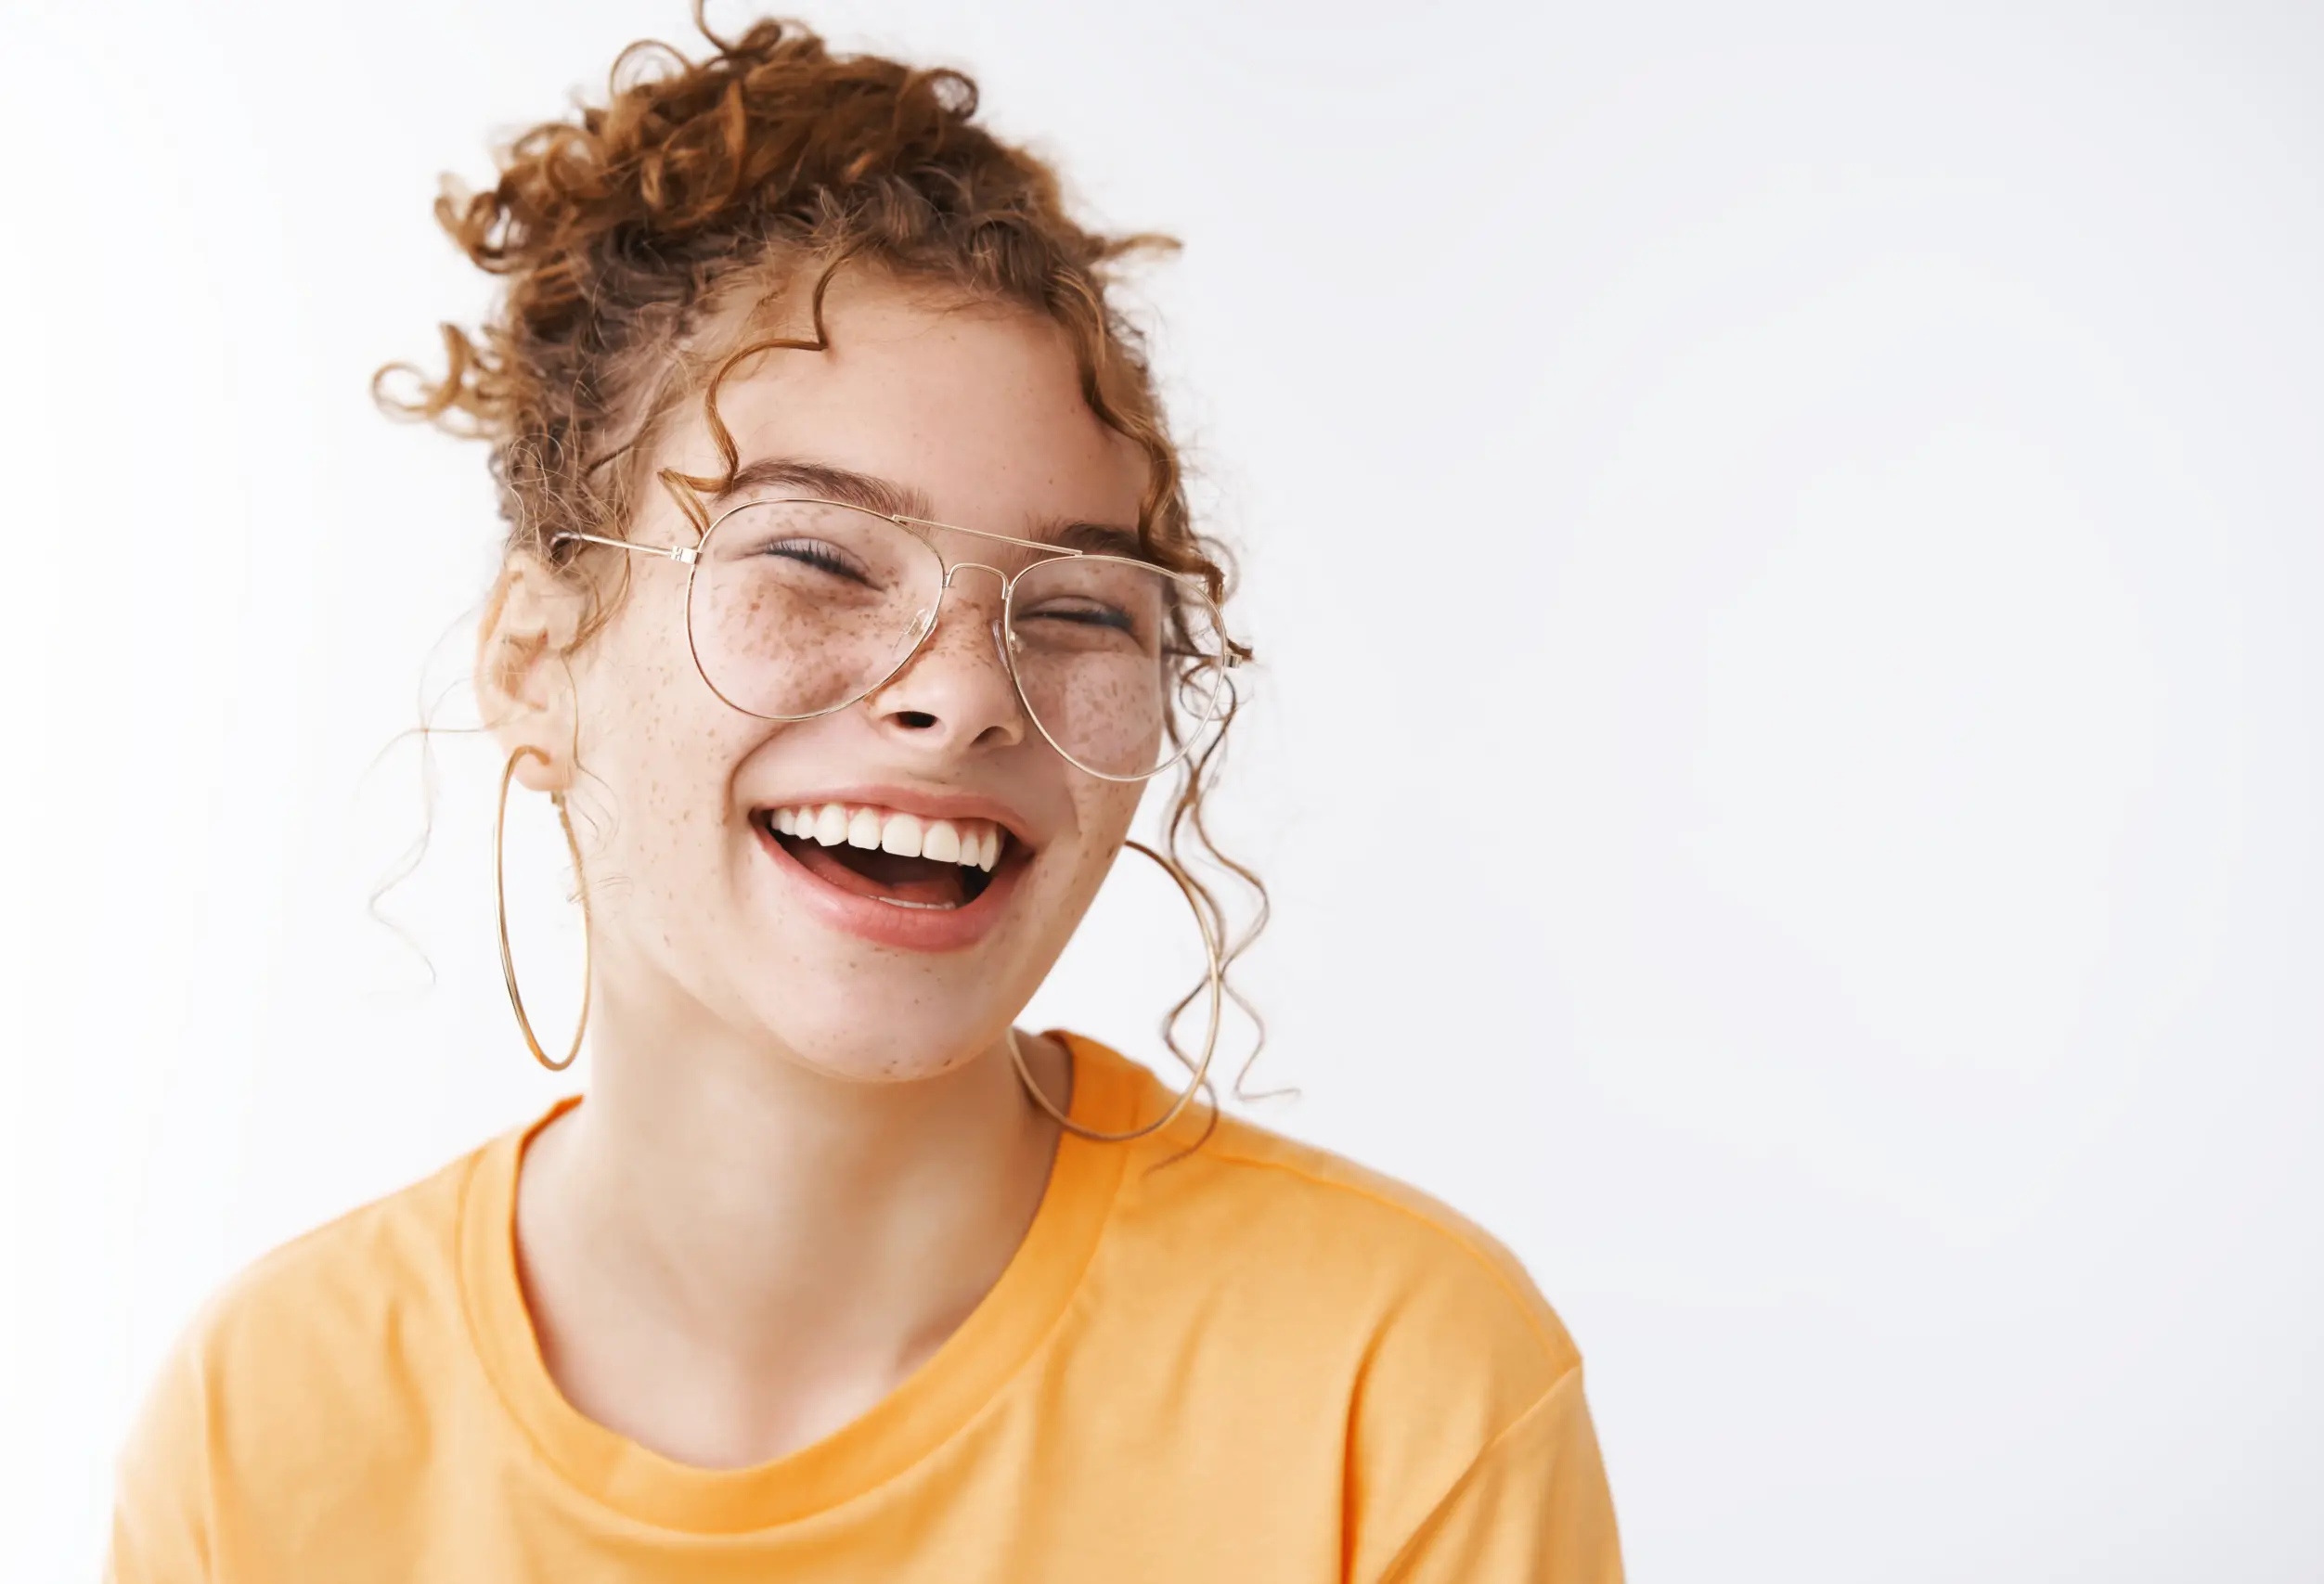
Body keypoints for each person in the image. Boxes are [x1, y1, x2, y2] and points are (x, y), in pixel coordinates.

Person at [106, 15, 1623, 1581]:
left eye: (1086, 608)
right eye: (817, 560)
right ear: (534, 660)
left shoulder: (1404, 1393)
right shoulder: (262, 1427)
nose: (964, 690)